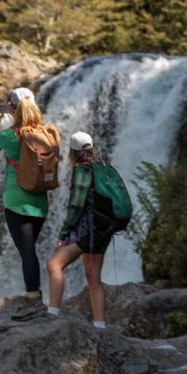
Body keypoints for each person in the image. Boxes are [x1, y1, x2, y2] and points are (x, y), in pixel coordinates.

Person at [45, 132, 128, 330]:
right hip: (104, 228)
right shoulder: (102, 166)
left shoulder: (82, 170)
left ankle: (53, 315)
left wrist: (63, 234)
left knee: (53, 264)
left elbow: (76, 206)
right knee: (93, 276)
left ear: (73, 152)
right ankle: (100, 325)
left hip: (88, 230)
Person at [0, 94, 52, 321]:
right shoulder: (45, 133)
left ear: (13, 110)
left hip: (17, 203)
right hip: (41, 203)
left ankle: (34, 301)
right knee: (30, 251)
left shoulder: (10, 135)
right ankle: (35, 298)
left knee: (27, 253)